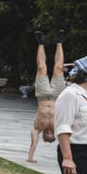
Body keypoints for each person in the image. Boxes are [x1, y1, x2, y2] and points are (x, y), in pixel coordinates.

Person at [27, 30, 67, 163]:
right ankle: (59, 42)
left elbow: (34, 141)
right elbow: (67, 141)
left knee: (41, 67)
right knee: (59, 67)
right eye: (51, 135)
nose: (49, 133)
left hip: (42, 96)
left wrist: (30, 157)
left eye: (47, 135)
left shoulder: (38, 127)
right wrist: (67, 158)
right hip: (57, 95)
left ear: (43, 134)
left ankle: (41, 42)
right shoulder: (59, 127)